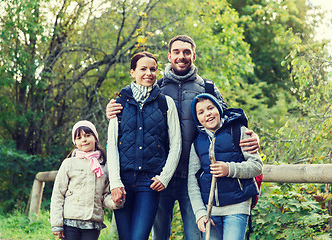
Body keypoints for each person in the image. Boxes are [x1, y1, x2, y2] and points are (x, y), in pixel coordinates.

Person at [106, 35, 260, 240]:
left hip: (195, 177)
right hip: (159, 176)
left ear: (194, 55)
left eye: (186, 52)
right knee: (159, 234)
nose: (181, 56)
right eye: (176, 52)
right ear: (169, 56)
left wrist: (251, 134)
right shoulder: (155, 88)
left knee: (194, 234)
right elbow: (132, 123)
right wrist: (112, 110)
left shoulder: (208, 88)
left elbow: (228, 119)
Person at [106, 51, 181, 240]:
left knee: (139, 237)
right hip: (123, 181)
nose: (149, 73)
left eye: (153, 69)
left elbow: (176, 144)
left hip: (149, 182)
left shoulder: (166, 103)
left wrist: (164, 177)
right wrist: (114, 183)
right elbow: (112, 145)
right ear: (132, 72)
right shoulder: (119, 103)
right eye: (143, 69)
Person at [188, 93, 263, 240]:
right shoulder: (197, 143)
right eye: (201, 112)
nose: (207, 114)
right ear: (197, 119)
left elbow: (256, 166)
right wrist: (200, 213)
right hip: (210, 210)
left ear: (219, 109)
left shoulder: (238, 131)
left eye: (211, 108)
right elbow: (192, 180)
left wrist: (230, 169)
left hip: (238, 205)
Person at [50, 120, 121, 240]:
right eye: (79, 137)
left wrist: (116, 201)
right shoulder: (69, 164)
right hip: (70, 221)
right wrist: (57, 224)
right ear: (75, 142)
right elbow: (58, 194)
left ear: (95, 138)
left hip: (92, 222)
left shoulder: (105, 166)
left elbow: (104, 196)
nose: (84, 140)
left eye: (88, 135)